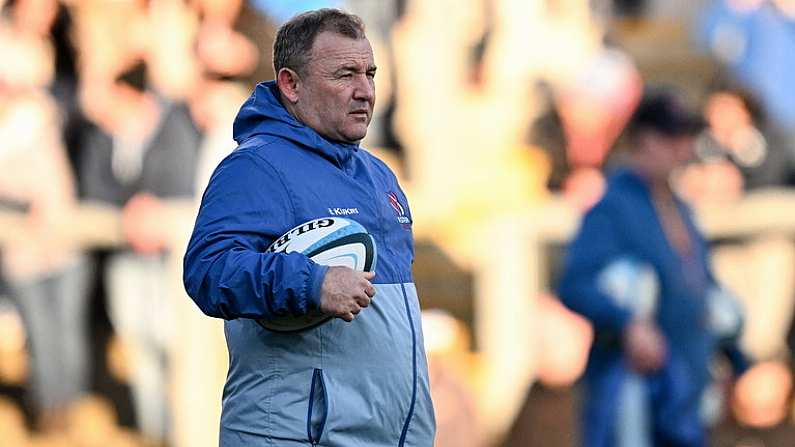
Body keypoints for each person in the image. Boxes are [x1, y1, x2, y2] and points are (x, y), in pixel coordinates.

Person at [183, 9, 435, 446]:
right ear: (291, 84)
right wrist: (313, 284)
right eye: (345, 75)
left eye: (370, 74)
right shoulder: (255, 167)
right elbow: (208, 269)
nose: (365, 91)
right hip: (296, 435)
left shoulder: (379, 176)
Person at [558, 89, 749, 447]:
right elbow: (575, 283)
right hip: (635, 394)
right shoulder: (613, 207)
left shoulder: (680, 208)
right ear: (644, 141)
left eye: (686, 137)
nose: (683, 149)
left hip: (686, 390)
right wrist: (627, 322)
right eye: (672, 138)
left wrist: (739, 361)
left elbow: (703, 291)